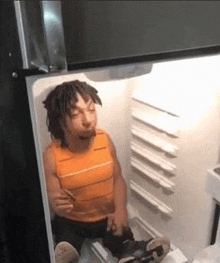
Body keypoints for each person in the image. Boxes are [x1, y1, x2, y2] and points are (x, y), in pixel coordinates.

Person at [43, 80, 170, 263]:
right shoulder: (51, 155)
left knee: (121, 235)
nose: (88, 120)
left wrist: (120, 211)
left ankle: (130, 251)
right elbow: (53, 194)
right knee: (65, 239)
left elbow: (118, 179)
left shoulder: (105, 140)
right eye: (75, 114)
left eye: (91, 109)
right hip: (73, 221)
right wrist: (57, 203)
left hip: (106, 217)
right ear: (61, 120)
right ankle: (66, 255)